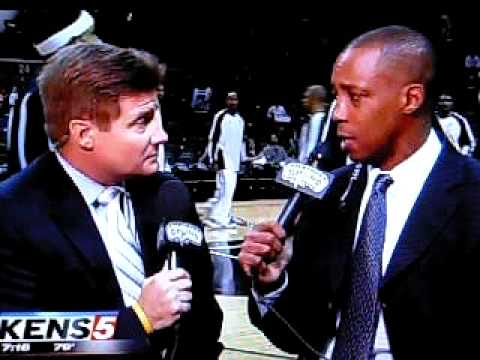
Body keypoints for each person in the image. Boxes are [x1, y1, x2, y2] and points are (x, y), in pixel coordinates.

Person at [239, 25, 480, 360]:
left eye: (356, 97)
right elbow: (297, 337)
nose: (338, 113)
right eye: (337, 96)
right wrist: (274, 284)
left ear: (411, 99)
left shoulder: (472, 196)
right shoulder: (329, 192)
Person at [0, 43, 223, 359]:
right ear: (84, 134)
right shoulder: (13, 213)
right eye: (142, 121)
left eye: (158, 117)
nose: (162, 136)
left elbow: (203, 318)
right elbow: (15, 340)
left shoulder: (168, 195)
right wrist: (137, 322)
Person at [6, 9, 103, 174]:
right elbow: (25, 167)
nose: (99, 42)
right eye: (90, 36)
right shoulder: (37, 95)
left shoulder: (98, 85)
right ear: (74, 46)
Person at [203, 91, 245, 229]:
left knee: (227, 190)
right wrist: (212, 158)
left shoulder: (240, 119)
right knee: (226, 189)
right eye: (230, 99)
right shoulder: (220, 116)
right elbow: (213, 138)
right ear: (226, 101)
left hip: (235, 161)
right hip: (223, 158)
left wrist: (243, 159)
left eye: (235, 99)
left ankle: (219, 215)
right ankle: (220, 218)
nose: (232, 102)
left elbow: (240, 142)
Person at [298, 85, 344, 170]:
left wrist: (308, 165)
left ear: (315, 99)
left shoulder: (322, 120)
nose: (304, 100)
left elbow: (315, 146)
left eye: (306, 97)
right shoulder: (309, 121)